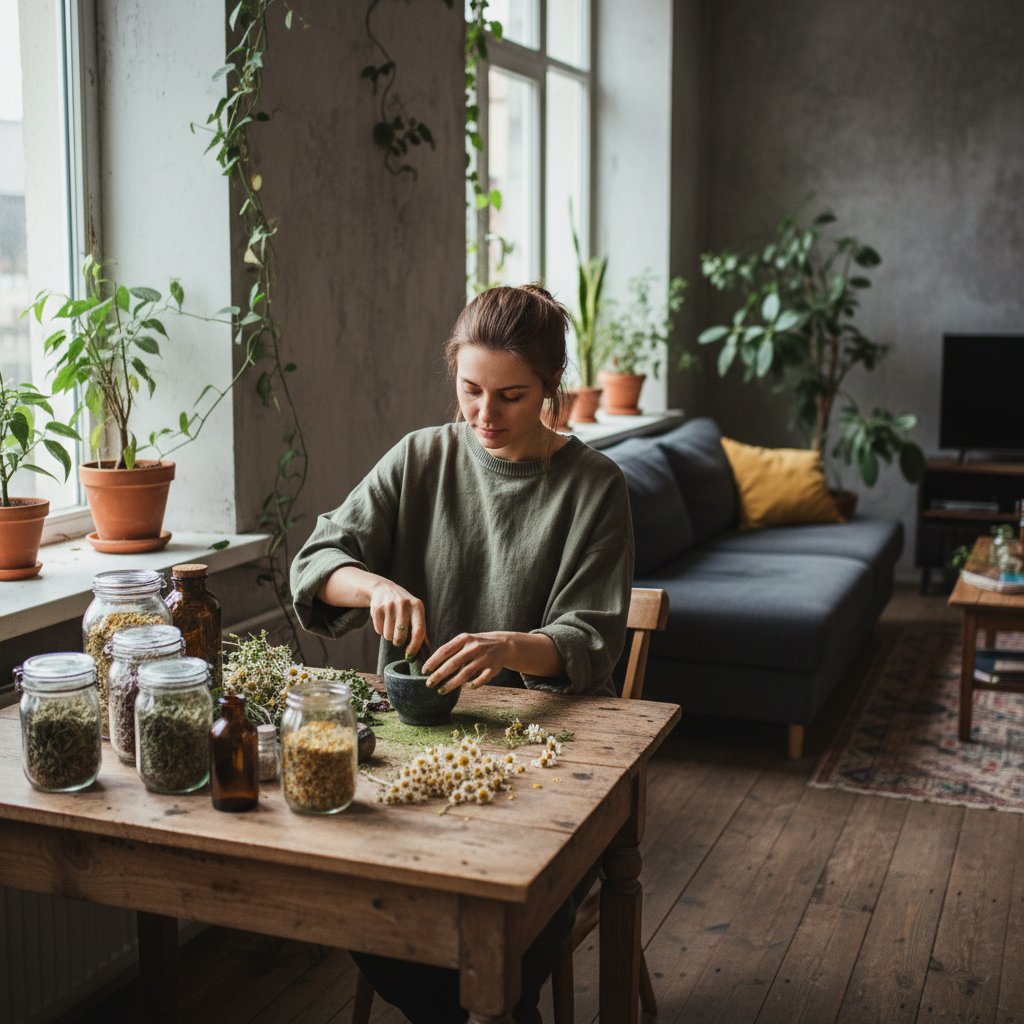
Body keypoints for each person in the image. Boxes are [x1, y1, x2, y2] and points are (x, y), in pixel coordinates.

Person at [289, 283, 634, 1023]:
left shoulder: (594, 486)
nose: (484, 415)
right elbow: (317, 558)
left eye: (511, 395)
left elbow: (596, 635)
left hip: (545, 758)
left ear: (550, 389)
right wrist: (370, 585)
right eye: (470, 390)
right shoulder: (419, 458)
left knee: (510, 917)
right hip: (412, 756)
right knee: (349, 888)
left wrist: (515, 645)